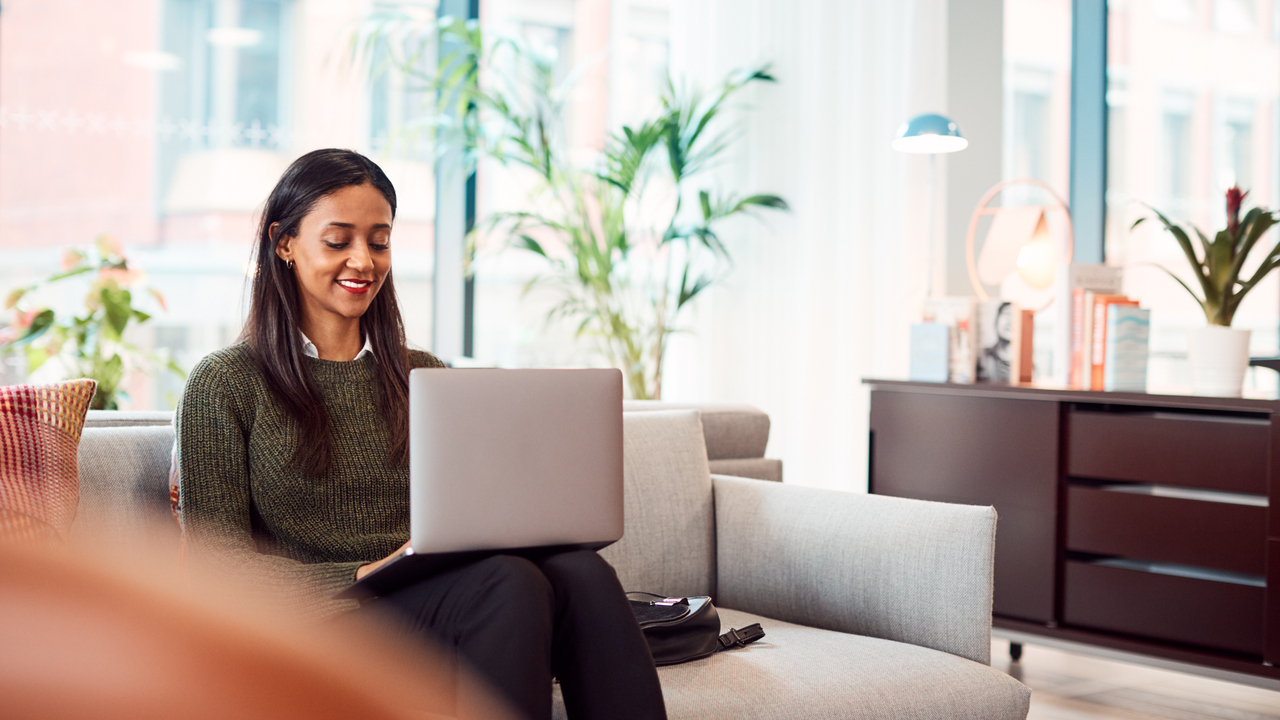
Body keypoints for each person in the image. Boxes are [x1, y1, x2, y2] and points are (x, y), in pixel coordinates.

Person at [175, 148, 667, 720]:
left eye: (379, 241)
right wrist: (362, 574)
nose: (363, 260)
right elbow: (216, 572)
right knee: (506, 584)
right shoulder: (227, 381)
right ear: (283, 243)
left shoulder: (423, 375)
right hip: (320, 623)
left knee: (579, 571)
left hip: (433, 600)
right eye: (338, 241)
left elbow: (470, 513)